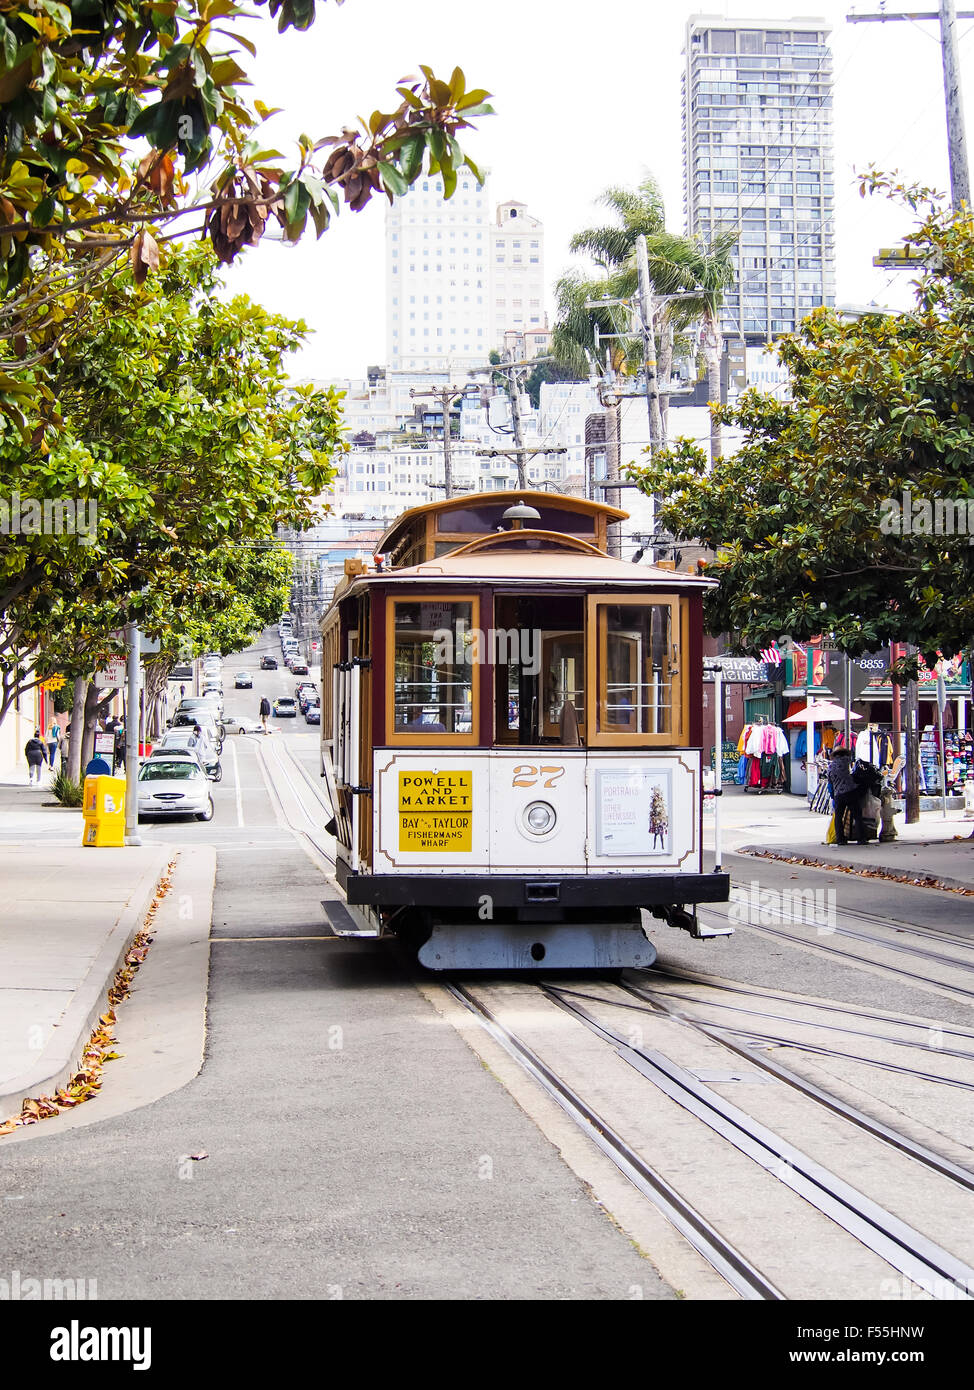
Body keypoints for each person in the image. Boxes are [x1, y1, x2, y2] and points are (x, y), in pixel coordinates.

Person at [828, 747, 863, 845]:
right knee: (857, 815)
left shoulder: (830, 766)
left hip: (838, 794)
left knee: (838, 817)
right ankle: (861, 838)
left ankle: (840, 839)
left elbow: (830, 782)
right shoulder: (845, 761)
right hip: (850, 792)